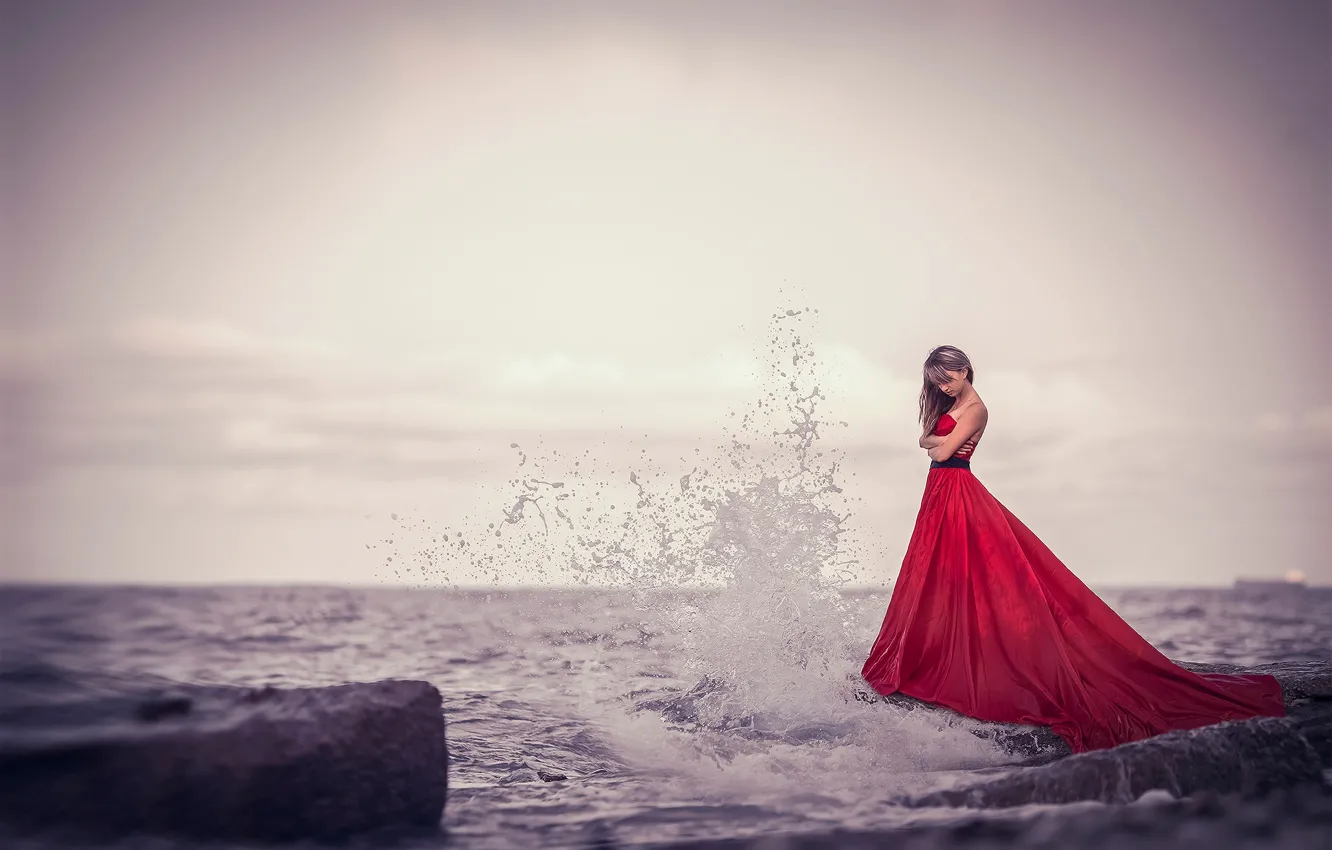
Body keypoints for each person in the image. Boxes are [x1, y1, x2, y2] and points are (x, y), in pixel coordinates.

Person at [861, 345, 1285, 752]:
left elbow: (942, 449)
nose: (944, 388)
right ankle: (929, 660)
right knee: (933, 578)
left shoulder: (977, 409)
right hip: (940, 493)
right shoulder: (952, 406)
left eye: (948, 378)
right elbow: (928, 444)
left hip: (958, 490)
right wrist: (929, 442)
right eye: (937, 382)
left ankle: (970, 667)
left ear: (965, 370)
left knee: (978, 579)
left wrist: (930, 441)